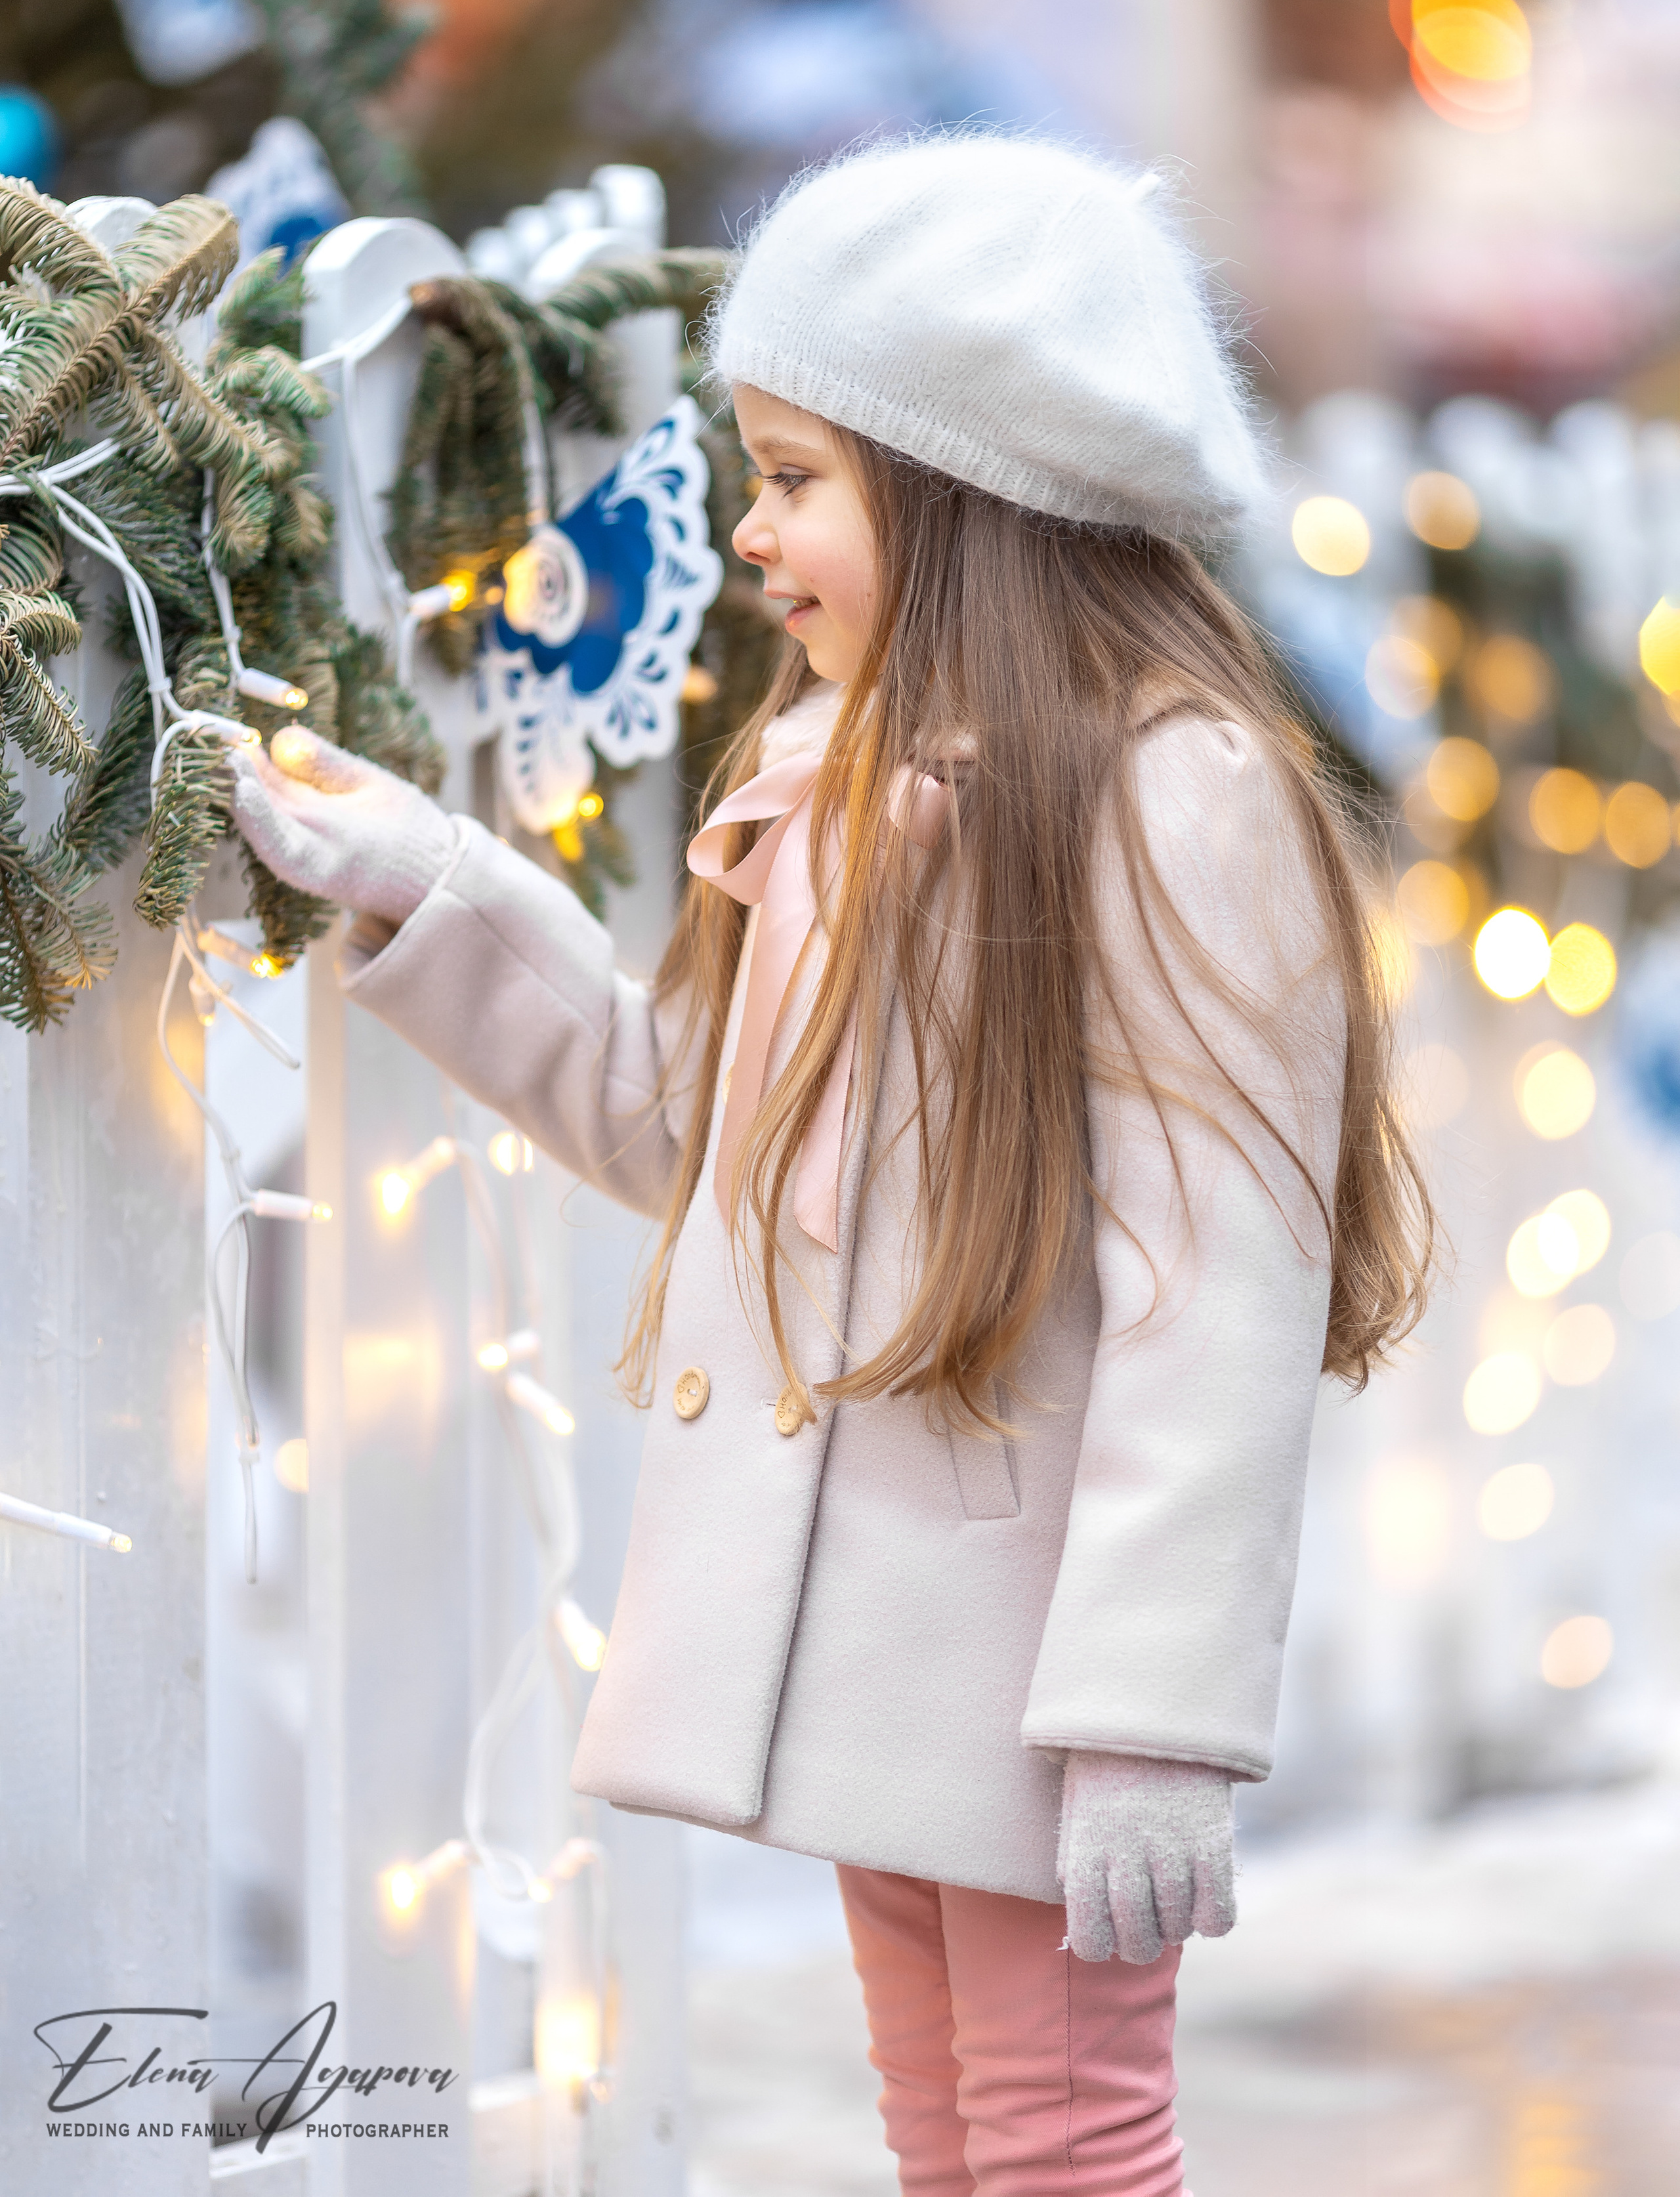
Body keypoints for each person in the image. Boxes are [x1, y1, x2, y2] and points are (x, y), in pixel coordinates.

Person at [232, 133, 1432, 2197]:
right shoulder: (839, 781)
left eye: (796, 477)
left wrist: (1152, 1719)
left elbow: (1213, 1300)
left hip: (1046, 1674)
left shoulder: (1178, 798)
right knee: (943, 2133)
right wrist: (432, 880)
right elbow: (689, 1127)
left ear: (967, 484)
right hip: (885, 1657)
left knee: (1063, 2139)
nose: (749, 529)